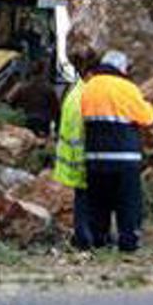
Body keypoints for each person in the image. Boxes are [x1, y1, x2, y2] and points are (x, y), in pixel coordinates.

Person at [80, 50, 153, 251]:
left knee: (98, 203)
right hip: (125, 157)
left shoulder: (89, 88)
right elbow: (147, 118)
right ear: (121, 68)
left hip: (94, 157)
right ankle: (128, 242)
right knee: (127, 204)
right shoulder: (127, 88)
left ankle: (99, 241)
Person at [52, 49, 99, 250]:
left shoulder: (73, 93)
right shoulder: (86, 95)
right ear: (89, 74)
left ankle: (83, 237)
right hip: (85, 156)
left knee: (82, 200)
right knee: (89, 202)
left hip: (73, 158)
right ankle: (87, 239)